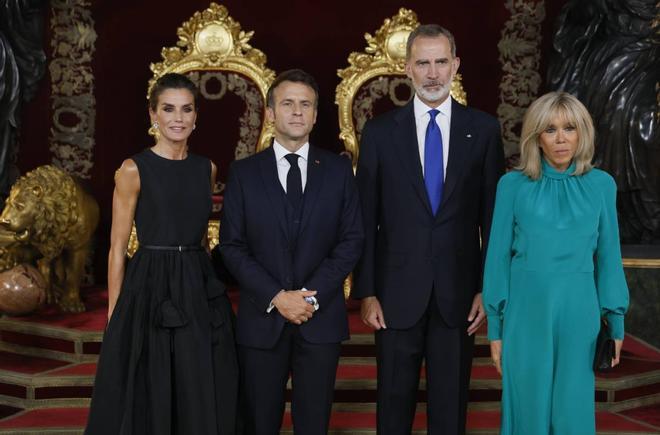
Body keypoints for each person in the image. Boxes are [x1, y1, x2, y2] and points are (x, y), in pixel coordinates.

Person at [353, 24, 505, 434]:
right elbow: (365, 217)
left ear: (455, 65)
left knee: (450, 411)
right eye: (423, 63)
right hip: (395, 294)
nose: (433, 73)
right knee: (393, 407)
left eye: (441, 62)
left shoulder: (485, 130)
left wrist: (486, 290)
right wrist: (366, 291)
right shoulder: (381, 133)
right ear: (407, 69)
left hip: (459, 297)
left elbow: (492, 219)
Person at [86, 73, 238, 434]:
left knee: (197, 379)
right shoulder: (133, 169)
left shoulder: (207, 168)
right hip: (151, 284)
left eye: (186, 110)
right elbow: (117, 249)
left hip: (197, 282)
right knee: (151, 382)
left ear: (196, 116)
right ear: (153, 115)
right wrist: (115, 315)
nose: (178, 118)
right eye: (168, 109)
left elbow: (200, 238)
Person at [219, 69, 363, 435]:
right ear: (270, 113)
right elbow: (232, 246)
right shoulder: (244, 173)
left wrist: (308, 300)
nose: (297, 112)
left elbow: (351, 241)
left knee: (313, 424)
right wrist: (276, 297)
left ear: (315, 115)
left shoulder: (338, 171)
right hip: (261, 322)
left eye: (305, 105)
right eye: (287, 104)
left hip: (320, 321)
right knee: (258, 423)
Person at [483, 91, 629, 434]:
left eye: (569, 128)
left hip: (580, 313)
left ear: (583, 133)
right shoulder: (512, 186)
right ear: (537, 137)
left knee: (572, 412)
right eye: (550, 130)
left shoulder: (601, 185)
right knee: (527, 409)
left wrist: (616, 320)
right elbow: (497, 256)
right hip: (526, 312)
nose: (561, 138)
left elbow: (609, 256)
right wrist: (495, 325)